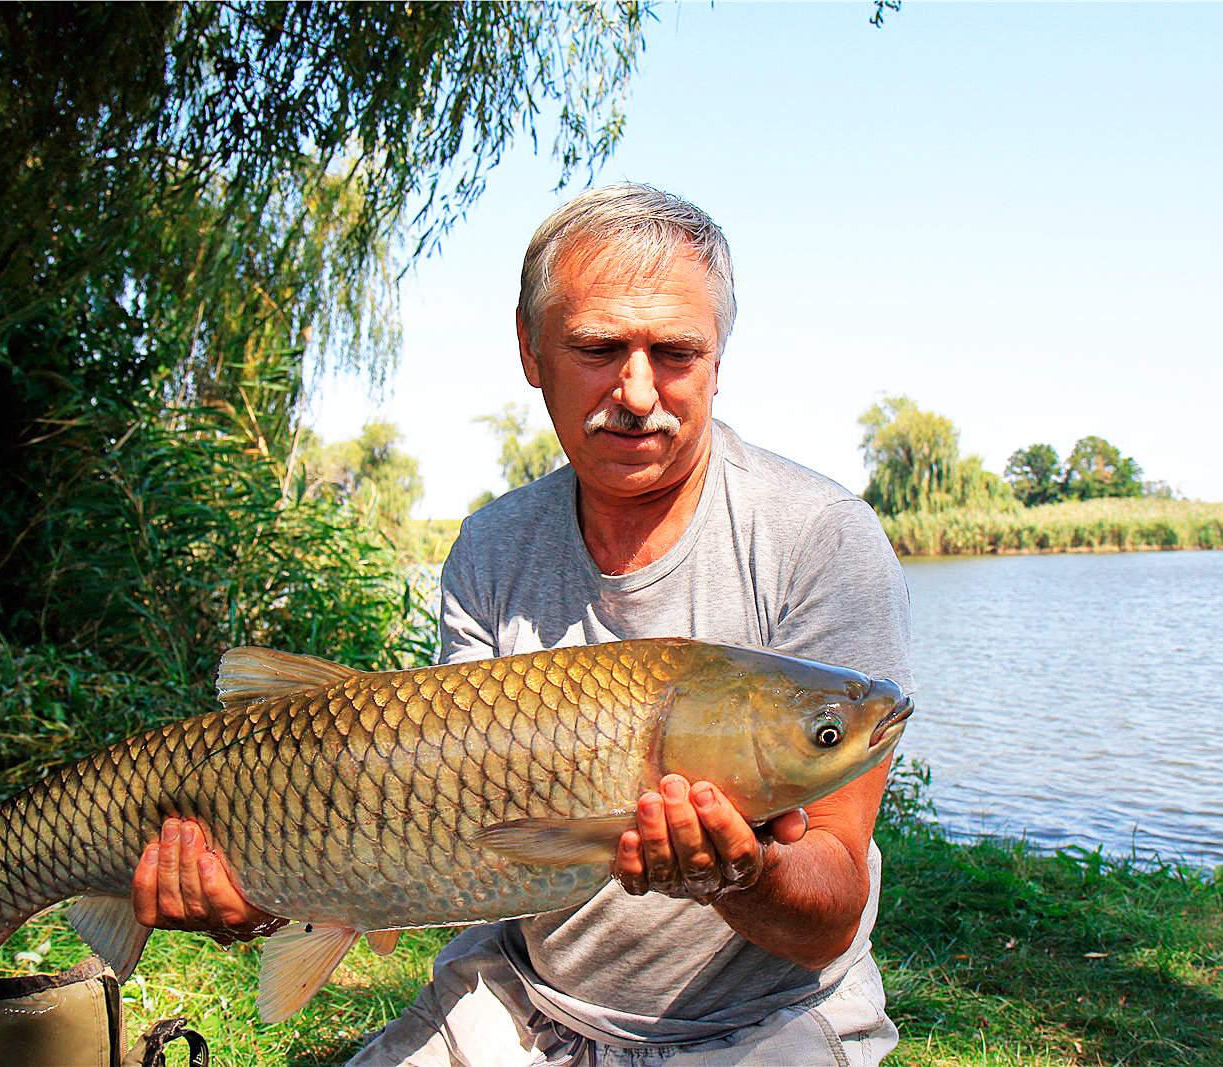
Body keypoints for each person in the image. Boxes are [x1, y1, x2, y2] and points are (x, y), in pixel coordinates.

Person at [131, 183, 914, 1065]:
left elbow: (831, 908)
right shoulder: (493, 545)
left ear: (720, 357)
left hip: (757, 1020)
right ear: (530, 349)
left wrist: (744, 871)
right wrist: (267, 887)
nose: (638, 391)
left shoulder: (822, 538)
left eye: (678, 352)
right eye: (598, 347)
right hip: (523, 993)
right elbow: (411, 831)